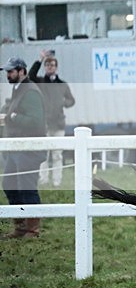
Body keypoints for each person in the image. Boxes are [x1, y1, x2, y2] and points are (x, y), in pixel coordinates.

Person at [2, 57, 47, 239]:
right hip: (17, 148)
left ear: (21, 71)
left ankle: (33, 229)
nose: (8, 74)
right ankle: (20, 227)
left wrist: (12, 117)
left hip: (28, 150)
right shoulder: (18, 89)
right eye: (7, 71)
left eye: (11, 71)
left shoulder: (30, 91)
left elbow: (35, 122)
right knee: (10, 184)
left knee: (27, 187)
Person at [29, 50, 75, 186]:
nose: (50, 67)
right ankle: (44, 179)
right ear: (45, 67)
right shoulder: (40, 82)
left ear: (56, 67)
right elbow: (30, 76)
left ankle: (57, 181)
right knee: (44, 155)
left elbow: (71, 100)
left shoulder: (62, 84)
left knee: (57, 155)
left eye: (52, 65)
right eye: (47, 65)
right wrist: (40, 60)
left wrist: (63, 103)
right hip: (44, 124)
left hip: (58, 124)